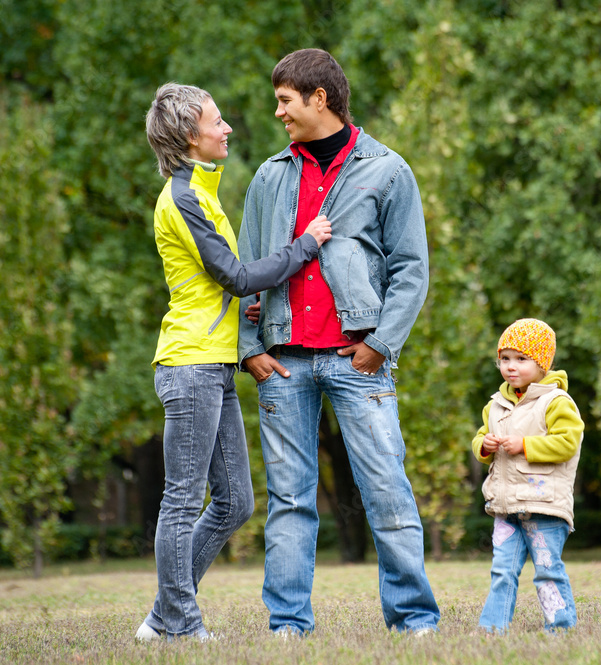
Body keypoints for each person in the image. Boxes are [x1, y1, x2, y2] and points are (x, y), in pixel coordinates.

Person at [236, 49, 439, 636]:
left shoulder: (388, 170)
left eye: (284, 100)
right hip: (285, 364)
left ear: (318, 98)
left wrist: (381, 342)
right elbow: (249, 270)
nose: (278, 112)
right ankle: (288, 627)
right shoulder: (270, 176)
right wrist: (251, 349)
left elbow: (411, 270)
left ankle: (414, 620)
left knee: (387, 493)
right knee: (290, 503)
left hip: (360, 363)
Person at [136, 82, 332, 641]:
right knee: (181, 500)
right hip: (191, 364)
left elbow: (220, 285)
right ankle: (180, 621)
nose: (227, 129)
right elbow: (237, 276)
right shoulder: (185, 198)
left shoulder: (202, 190)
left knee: (237, 502)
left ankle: (162, 615)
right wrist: (306, 244)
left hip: (215, 364)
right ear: (188, 136)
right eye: (216, 122)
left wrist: (240, 313)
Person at [471, 318, 584, 633]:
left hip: (544, 504)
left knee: (547, 569)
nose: (511, 366)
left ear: (542, 363)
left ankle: (560, 627)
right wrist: (484, 444)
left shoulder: (556, 402)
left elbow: (567, 443)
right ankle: (492, 629)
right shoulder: (495, 405)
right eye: (505, 359)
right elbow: (480, 437)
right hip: (506, 506)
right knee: (502, 571)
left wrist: (524, 445)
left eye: (521, 359)